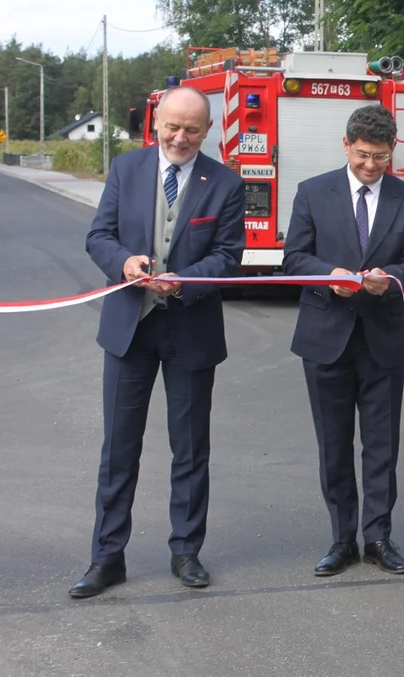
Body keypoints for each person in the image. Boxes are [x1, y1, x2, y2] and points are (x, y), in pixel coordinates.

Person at [72, 86, 246, 598]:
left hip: (191, 330)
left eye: (191, 129)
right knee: (118, 449)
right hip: (130, 329)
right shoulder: (126, 170)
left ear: (207, 130)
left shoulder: (227, 183)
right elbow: (99, 236)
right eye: (172, 126)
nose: (180, 137)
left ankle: (186, 551)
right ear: (157, 122)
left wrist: (186, 281)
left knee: (191, 448)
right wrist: (125, 262)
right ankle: (107, 557)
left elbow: (229, 255)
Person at [284, 105, 404, 576]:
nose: (371, 166)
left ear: (392, 152)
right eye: (364, 155)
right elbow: (294, 259)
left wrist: (390, 279)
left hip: (383, 338)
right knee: (334, 443)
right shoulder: (312, 192)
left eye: (381, 158)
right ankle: (341, 538)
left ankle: (379, 537)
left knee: (382, 445)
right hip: (326, 336)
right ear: (346, 145)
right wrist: (330, 276)